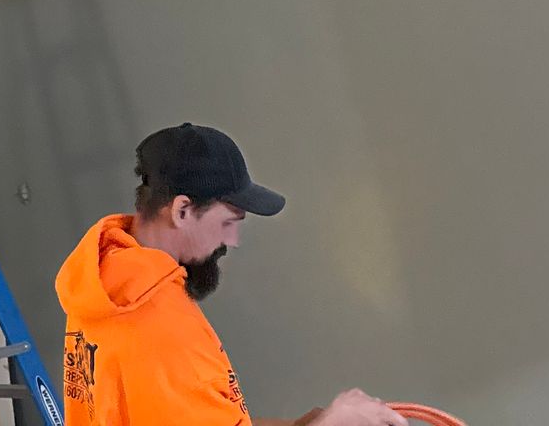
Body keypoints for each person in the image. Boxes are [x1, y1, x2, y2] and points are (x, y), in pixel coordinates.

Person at [57, 123, 407, 426]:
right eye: (228, 222)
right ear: (182, 210)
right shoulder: (161, 328)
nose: (233, 241)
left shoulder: (106, 283)